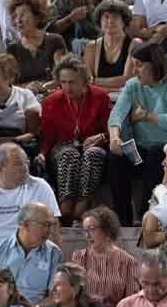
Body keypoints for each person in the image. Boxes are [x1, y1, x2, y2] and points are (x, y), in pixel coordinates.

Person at [107, 44, 167, 223]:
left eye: (139, 64)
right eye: (133, 64)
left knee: (155, 154)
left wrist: (146, 115)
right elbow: (117, 114)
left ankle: (148, 218)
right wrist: (115, 137)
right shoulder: (132, 85)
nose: (134, 70)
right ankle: (123, 221)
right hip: (139, 148)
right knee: (115, 158)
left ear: (153, 64)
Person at [36, 58, 113, 224]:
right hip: (62, 146)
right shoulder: (51, 102)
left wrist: (102, 137)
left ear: (84, 81)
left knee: (93, 155)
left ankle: (81, 208)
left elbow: (110, 129)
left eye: (72, 82)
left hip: (93, 145)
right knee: (69, 154)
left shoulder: (100, 97)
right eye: (63, 82)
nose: (67, 87)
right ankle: (65, 208)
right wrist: (42, 153)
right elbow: (47, 134)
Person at [0, 54, 42, 177]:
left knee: (18, 161)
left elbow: (33, 133)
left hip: (19, 142)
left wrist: (14, 141)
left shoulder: (25, 95)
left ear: (10, 77)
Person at [0, 202, 64, 307]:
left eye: (51, 225)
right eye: (46, 225)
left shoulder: (54, 253)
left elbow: (55, 295)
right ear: (26, 224)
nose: (49, 231)